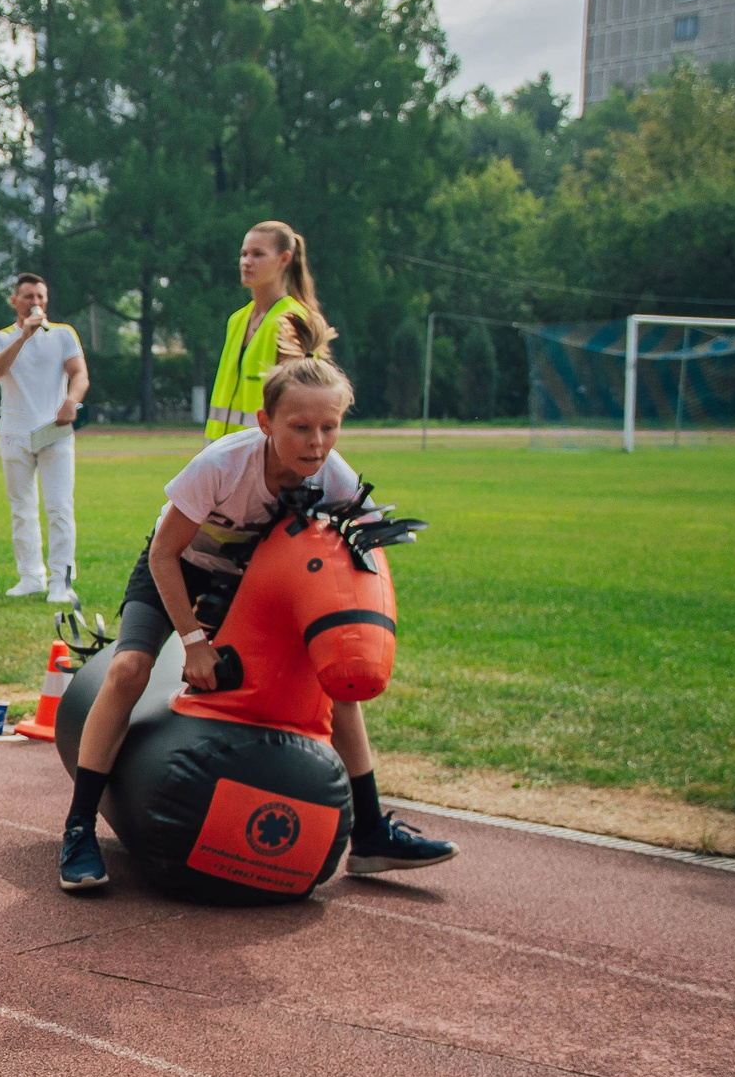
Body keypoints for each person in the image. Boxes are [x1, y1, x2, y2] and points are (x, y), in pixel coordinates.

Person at [57, 357, 457, 893]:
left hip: (251, 587)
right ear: (266, 423)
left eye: (329, 427)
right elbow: (163, 555)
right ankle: (79, 827)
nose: (316, 442)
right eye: (300, 427)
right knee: (129, 668)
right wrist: (194, 643)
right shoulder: (224, 464)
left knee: (335, 688)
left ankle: (369, 833)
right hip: (180, 569)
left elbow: (361, 561)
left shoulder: (336, 478)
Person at [0, 272, 88, 603]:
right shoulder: (0, 338)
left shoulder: (63, 335)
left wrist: (71, 401)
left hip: (53, 431)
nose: (35, 302)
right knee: (22, 507)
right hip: (15, 432)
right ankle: (30, 575)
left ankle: (61, 578)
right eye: (28, 296)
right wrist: (23, 337)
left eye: (40, 296)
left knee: (59, 506)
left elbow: (79, 373)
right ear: (14, 301)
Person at [204, 221, 329, 440]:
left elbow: (298, 404)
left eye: (258, 254)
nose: (246, 262)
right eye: (244, 254)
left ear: (284, 259)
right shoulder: (237, 320)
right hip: (223, 458)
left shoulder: (293, 321)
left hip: (265, 457)